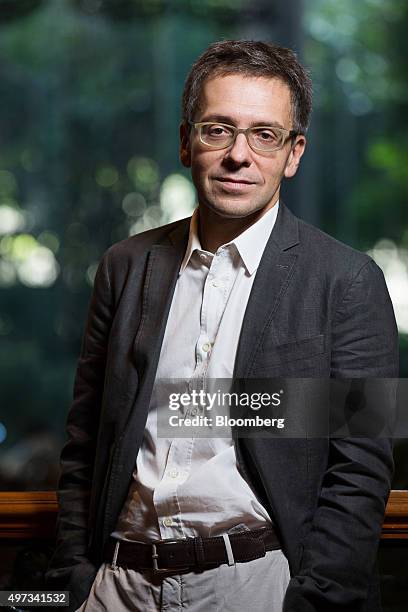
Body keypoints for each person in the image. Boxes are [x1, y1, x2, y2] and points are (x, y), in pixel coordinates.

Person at [46, 40, 399, 612]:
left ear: (294, 153)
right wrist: (75, 580)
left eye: (265, 134)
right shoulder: (123, 266)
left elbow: (361, 467)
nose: (240, 155)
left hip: (257, 585)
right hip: (115, 585)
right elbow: (86, 440)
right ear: (187, 143)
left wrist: (312, 601)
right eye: (218, 130)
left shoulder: (350, 280)